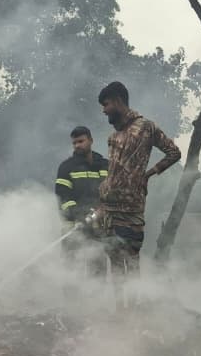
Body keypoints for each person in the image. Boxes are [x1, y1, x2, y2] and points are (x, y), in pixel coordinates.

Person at [95, 81, 181, 284]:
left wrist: (149, 174)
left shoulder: (146, 127)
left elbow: (174, 152)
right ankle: (119, 310)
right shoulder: (113, 136)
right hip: (108, 210)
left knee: (131, 260)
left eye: (106, 104)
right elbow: (113, 171)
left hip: (131, 209)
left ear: (118, 101)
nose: (104, 110)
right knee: (114, 261)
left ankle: (134, 309)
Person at [54, 126, 109, 277]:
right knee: (72, 273)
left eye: (81, 141)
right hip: (74, 230)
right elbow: (63, 198)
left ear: (91, 140)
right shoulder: (66, 167)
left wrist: (103, 210)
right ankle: (72, 300)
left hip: (99, 230)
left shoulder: (105, 165)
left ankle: (96, 300)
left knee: (98, 272)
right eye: (74, 143)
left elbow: (113, 193)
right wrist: (81, 216)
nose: (77, 145)